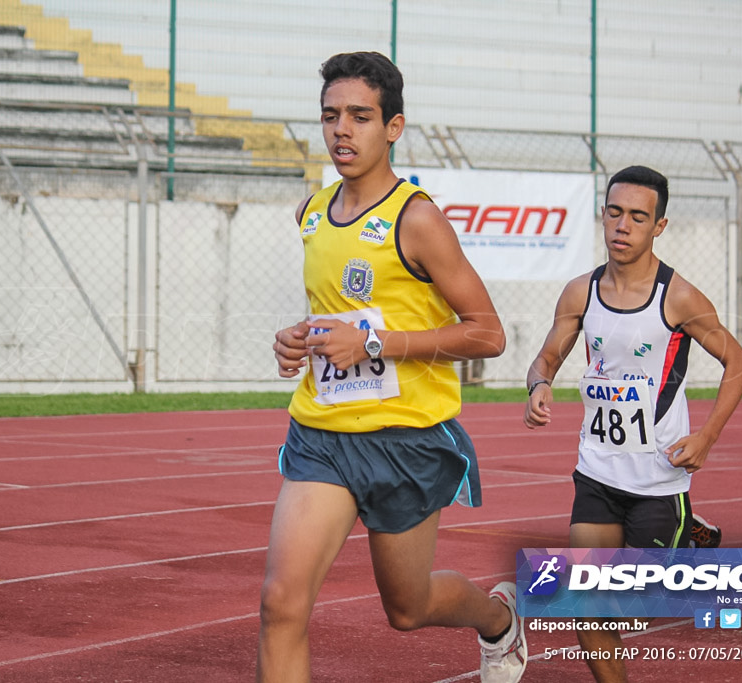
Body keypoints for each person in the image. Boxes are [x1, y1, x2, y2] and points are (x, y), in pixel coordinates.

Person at [257, 52, 527, 683]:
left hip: (403, 440)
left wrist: (374, 345)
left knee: (407, 609)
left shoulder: (418, 219)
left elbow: (487, 335)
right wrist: (298, 340)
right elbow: (337, 317)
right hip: (322, 436)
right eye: (330, 117)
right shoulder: (311, 213)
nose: (341, 131)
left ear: (394, 127)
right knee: (280, 603)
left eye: (360, 116)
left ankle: (497, 621)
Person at [522, 165, 742, 682]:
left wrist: (707, 436)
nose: (623, 226)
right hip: (598, 472)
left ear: (659, 226)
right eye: (615, 213)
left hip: (658, 480)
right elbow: (545, 360)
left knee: (632, 608)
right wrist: (538, 386)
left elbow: (738, 363)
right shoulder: (579, 292)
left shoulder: (679, 298)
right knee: (584, 603)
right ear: (603, 216)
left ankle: (687, 534)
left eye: (638, 217)